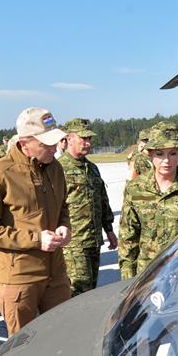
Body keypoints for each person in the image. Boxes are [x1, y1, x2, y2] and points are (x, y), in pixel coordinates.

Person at [0, 107, 71, 336]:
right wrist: (36, 239)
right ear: (25, 144)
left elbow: (63, 205)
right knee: (22, 347)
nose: (54, 149)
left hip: (56, 273)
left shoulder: (54, 168)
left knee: (60, 338)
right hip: (20, 279)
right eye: (46, 144)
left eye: (55, 142)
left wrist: (64, 225)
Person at [118, 127, 178, 279]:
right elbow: (128, 237)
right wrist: (128, 278)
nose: (166, 161)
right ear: (150, 154)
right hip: (146, 275)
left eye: (173, 153)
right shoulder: (135, 189)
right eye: (159, 154)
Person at [59, 118, 117, 296]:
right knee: (78, 291)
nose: (88, 142)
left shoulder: (92, 168)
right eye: (83, 138)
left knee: (90, 290)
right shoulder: (58, 168)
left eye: (89, 138)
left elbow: (102, 200)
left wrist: (109, 229)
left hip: (93, 240)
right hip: (73, 243)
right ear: (69, 139)